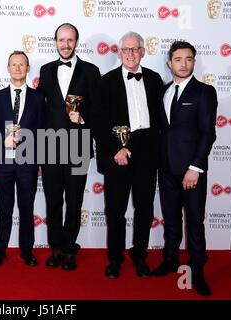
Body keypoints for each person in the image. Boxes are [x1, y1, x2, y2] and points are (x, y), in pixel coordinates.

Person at [92, 31, 163, 279]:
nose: (131, 54)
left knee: (144, 208)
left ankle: (140, 256)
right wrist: (116, 150)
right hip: (117, 153)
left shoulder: (154, 79)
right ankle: (115, 258)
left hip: (147, 152)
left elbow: (161, 121)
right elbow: (98, 123)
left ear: (143, 52)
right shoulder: (106, 81)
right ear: (119, 53)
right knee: (116, 210)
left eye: (135, 49)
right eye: (126, 49)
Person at [151, 41, 217, 297]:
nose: (183, 64)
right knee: (171, 219)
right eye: (178, 59)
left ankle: (198, 269)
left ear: (194, 61)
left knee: (195, 222)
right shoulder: (164, 92)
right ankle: (169, 260)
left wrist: (195, 167)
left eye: (188, 59)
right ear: (170, 63)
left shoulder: (204, 92)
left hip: (191, 171)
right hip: (166, 168)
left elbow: (207, 133)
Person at [37, 23, 100, 271]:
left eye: (70, 40)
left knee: (74, 201)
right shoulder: (46, 70)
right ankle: (57, 248)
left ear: (76, 42)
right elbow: (39, 110)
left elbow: (99, 109)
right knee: (53, 201)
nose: (66, 44)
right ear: (55, 42)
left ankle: (70, 248)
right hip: (51, 147)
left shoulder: (92, 71)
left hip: (78, 146)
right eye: (61, 40)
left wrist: (83, 118)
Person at [0, 51, 44, 267]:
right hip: (3, 162)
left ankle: (27, 251)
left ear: (28, 69)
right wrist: (2, 140)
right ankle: (0, 250)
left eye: (22, 65)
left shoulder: (38, 98)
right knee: (5, 208)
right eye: (13, 64)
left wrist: (41, 163)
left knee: (27, 208)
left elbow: (43, 131)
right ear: (8, 68)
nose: (17, 68)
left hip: (28, 162)